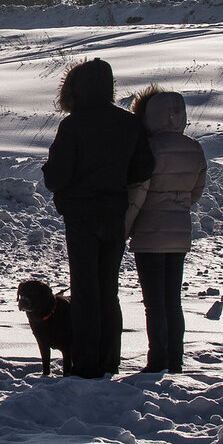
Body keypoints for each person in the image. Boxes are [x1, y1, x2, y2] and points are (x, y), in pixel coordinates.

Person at [41, 58, 154, 379]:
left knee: (85, 290)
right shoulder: (128, 123)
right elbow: (144, 168)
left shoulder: (73, 125)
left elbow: (56, 177)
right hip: (114, 214)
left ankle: (86, 362)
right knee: (108, 289)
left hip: (80, 217)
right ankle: (109, 359)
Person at [125, 87, 207, 373]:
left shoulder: (148, 149)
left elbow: (137, 194)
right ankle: (176, 358)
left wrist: (124, 228)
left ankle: (157, 359)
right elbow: (195, 193)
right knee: (173, 301)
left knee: (154, 303)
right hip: (179, 233)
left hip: (149, 233)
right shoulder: (194, 148)